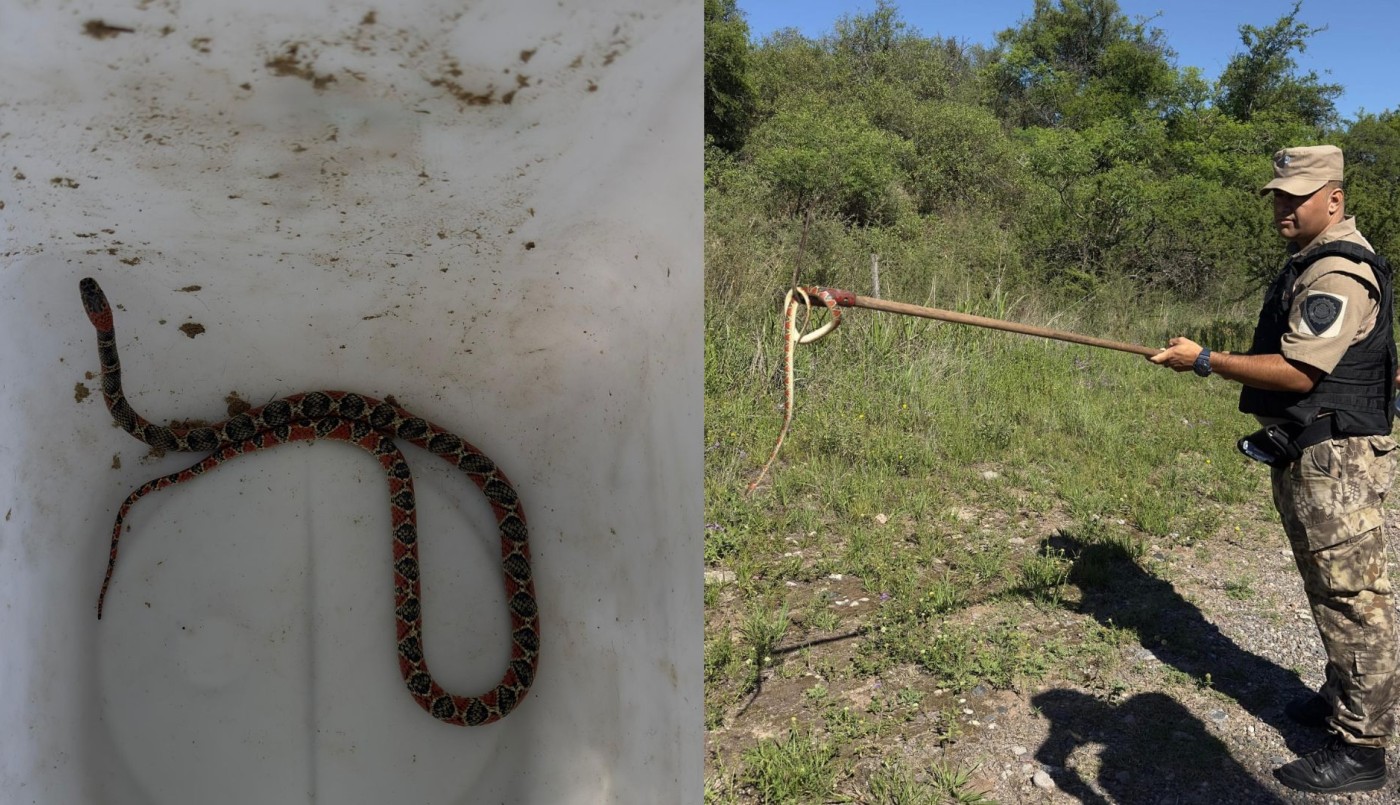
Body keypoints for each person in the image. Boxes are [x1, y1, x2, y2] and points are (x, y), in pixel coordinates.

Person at [1150, 144, 1399, 794]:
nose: (1283, 208)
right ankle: (1342, 697)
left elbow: (1299, 369)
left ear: (1335, 199)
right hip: (1311, 451)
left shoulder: (1339, 273)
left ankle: (1362, 747)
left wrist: (1206, 358)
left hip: (1336, 460)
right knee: (1328, 589)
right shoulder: (1314, 264)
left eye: (1298, 197)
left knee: (1354, 601)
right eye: (1279, 196)